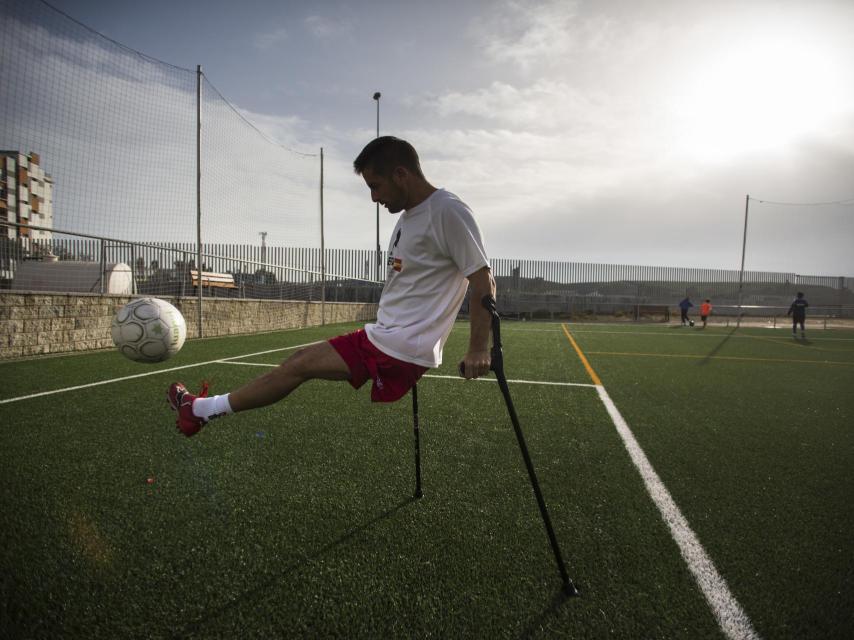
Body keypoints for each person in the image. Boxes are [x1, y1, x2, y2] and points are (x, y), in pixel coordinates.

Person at [167, 136, 496, 436]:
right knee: (300, 361)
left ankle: (198, 412)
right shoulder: (410, 215)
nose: (374, 197)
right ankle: (199, 410)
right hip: (388, 335)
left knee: (300, 364)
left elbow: (482, 280)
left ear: (401, 174)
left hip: (399, 344)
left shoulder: (447, 211)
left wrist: (480, 348)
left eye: (376, 186)